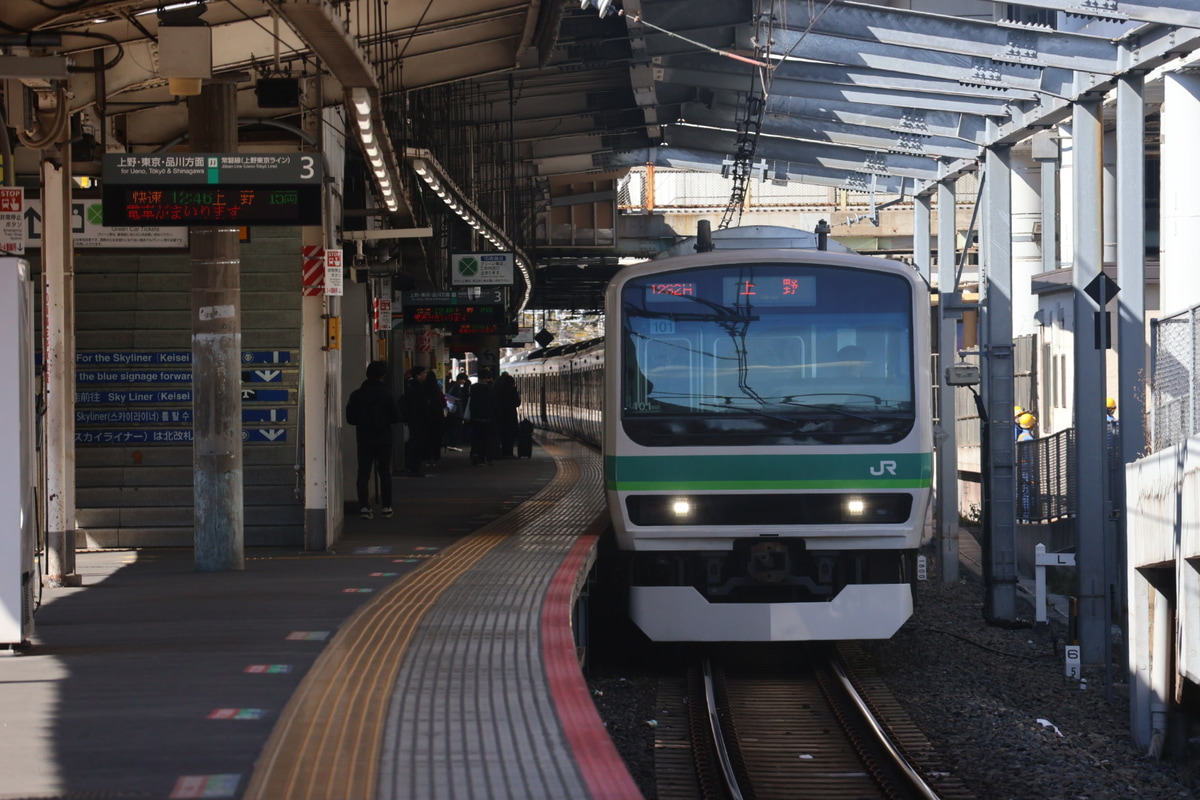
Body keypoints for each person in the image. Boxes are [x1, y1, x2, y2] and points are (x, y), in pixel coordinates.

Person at [345, 360, 401, 519]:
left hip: (364, 438)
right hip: (383, 438)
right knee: (384, 472)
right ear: (383, 375)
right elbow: (396, 417)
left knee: (363, 473)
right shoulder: (387, 394)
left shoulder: (356, 394)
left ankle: (364, 507)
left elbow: (350, 418)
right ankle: (386, 507)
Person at [402, 366, 432, 477]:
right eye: (424, 373)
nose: (425, 375)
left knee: (414, 442)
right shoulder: (417, 387)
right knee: (416, 443)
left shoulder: (412, 386)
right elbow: (420, 404)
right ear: (418, 375)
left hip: (414, 419)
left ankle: (413, 467)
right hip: (417, 419)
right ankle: (413, 467)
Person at [467, 367, 498, 466]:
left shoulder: (473, 388)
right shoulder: (489, 389)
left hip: (475, 418)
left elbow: (469, 402)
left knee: (476, 438)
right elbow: (493, 404)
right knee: (486, 439)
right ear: (487, 378)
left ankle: (475, 456)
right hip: (487, 418)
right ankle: (483, 458)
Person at [494, 371, 521, 459]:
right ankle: (508, 452)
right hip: (510, 415)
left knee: (502, 434)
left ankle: (501, 452)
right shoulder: (512, 390)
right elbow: (517, 403)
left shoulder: (497, 390)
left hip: (500, 415)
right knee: (510, 435)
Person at [444, 372, 471, 450]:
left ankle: (453, 443)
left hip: (454, 411)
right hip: (456, 411)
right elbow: (457, 398)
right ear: (460, 379)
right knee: (456, 428)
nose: (464, 382)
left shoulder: (454, 386)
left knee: (455, 428)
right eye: (464, 380)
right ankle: (453, 444)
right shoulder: (456, 387)